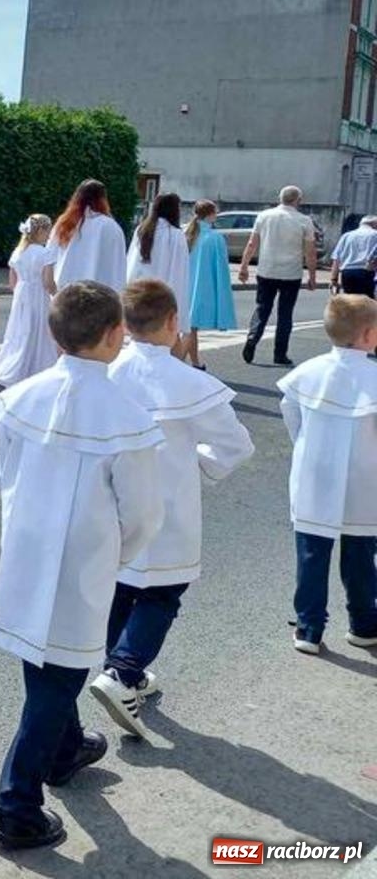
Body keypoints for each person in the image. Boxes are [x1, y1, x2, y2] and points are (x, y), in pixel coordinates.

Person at [0, 281, 163, 850]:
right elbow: (141, 514)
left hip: (25, 549)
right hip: (84, 559)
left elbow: (0, 475)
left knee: (42, 660)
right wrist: (117, 555)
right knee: (57, 678)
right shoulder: (126, 415)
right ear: (115, 336)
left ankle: (65, 751)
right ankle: (16, 805)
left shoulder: (22, 396)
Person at [94, 280, 254, 737]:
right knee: (163, 592)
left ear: (124, 325)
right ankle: (123, 670)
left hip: (114, 501)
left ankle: (120, 666)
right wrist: (200, 462)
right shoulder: (190, 383)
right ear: (172, 323)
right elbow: (235, 444)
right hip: (168, 502)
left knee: (122, 587)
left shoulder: (105, 372)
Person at [277, 295, 377, 655]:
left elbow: (290, 411)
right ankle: (364, 624)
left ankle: (308, 628)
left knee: (311, 554)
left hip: (315, 472)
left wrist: (306, 445)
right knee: (361, 555)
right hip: (364, 478)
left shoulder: (309, 371)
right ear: (368, 335)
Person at [238, 185, 318, 365]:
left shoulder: (264, 216)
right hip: (291, 273)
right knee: (285, 314)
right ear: (298, 200)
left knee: (262, 308)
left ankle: (252, 338)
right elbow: (310, 252)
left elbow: (252, 243)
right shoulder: (304, 221)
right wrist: (312, 276)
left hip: (266, 270)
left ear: (280, 198)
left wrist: (244, 266)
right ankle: (280, 354)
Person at [0, 214, 58, 389]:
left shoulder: (19, 251)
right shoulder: (45, 253)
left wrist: (20, 293)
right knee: (38, 330)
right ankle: (36, 367)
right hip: (37, 294)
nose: (49, 234)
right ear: (41, 230)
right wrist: (56, 293)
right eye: (48, 229)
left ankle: (13, 366)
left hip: (22, 293)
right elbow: (48, 282)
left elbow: (13, 279)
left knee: (19, 331)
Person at [126, 192, 190, 350]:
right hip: (163, 296)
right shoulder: (175, 235)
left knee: (140, 341)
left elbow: (132, 265)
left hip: (141, 294)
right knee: (169, 343)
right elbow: (179, 272)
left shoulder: (142, 230)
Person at [181, 200, 235, 368]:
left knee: (187, 328)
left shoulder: (184, 232)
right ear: (211, 214)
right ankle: (177, 364)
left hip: (180, 284)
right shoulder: (214, 237)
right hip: (202, 286)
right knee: (190, 327)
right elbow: (220, 268)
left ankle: (195, 362)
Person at [49, 179, 127, 291]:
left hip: (66, 291)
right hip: (101, 293)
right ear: (103, 199)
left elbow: (50, 255)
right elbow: (118, 264)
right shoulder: (111, 226)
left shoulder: (65, 223)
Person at [330, 214, 377, 298]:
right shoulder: (375, 235)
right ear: (374, 224)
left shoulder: (346, 236)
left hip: (348, 273)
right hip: (366, 272)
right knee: (368, 304)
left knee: (351, 302)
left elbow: (336, 259)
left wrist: (334, 279)